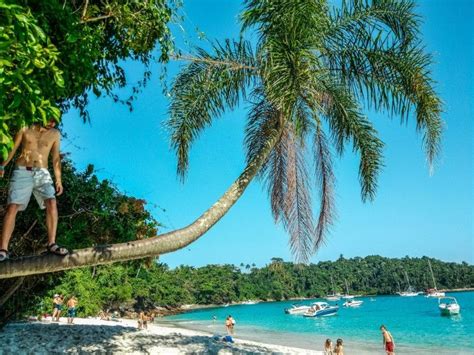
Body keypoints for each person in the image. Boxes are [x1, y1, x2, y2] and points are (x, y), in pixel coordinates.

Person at [0, 120, 68, 262]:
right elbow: (13, 148)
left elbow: (55, 158)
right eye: (50, 120)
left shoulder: (55, 134)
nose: (52, 124)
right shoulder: (25, 126)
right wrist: (2, 165)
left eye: (55, 122)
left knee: (52, 202)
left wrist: (58, 179)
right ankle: (3, 250)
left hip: (42, 172)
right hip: (22, 171)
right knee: (12, 207)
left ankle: (51, 243)